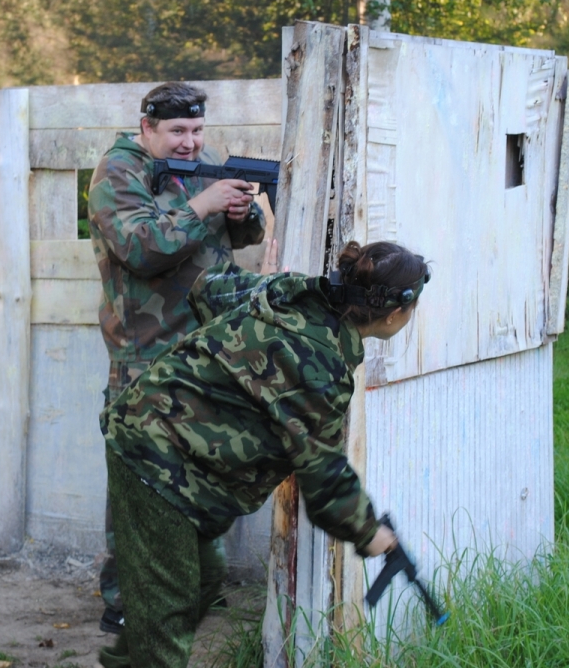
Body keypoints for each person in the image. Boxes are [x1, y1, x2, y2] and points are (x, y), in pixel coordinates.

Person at [97, 240, 430, 668]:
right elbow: (325, 481)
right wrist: (372, 535)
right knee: (168, 620)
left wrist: (237, 355)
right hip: (155, 456)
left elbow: (207, 290)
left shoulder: (293, 292)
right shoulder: (322, 367)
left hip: (167, 449)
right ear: (394, 314)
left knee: (201, 584)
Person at [87, 81, 270, 634]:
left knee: (201, 478)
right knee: (144, 485)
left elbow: (238, 238)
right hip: (148, 357)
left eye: (196, 130)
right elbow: (141, 248)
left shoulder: (205, 162)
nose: (190, 143)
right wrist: (204, 204)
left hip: (209, 351)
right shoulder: (117, 174)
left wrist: (241, 213)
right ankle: (126, 602)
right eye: (177, 132)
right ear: (147, 128)